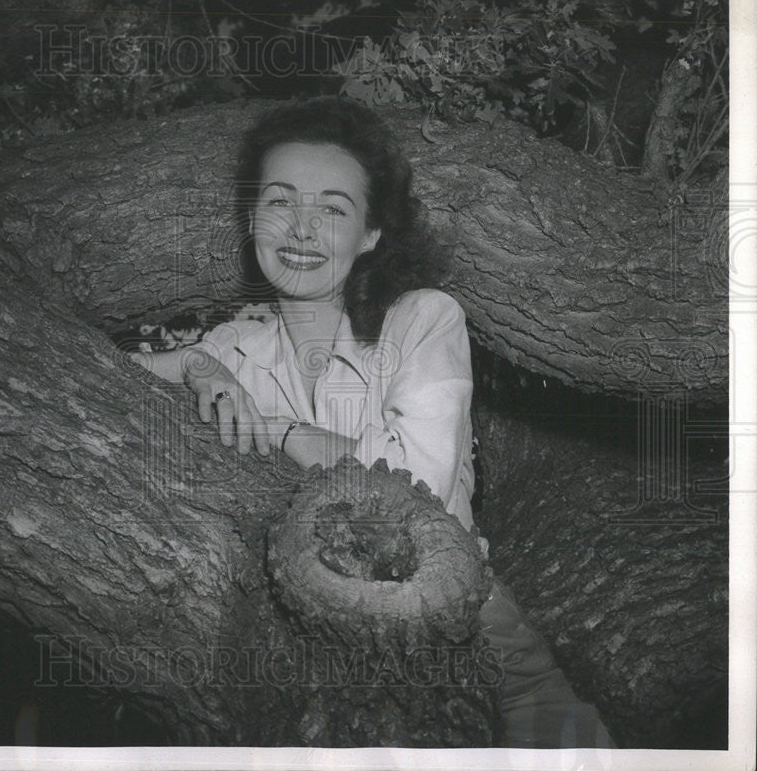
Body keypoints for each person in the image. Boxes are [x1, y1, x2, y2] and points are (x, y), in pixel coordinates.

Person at [133, 96, 616, 750]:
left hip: (472, 637)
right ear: (253, 219)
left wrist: (279, 431)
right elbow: (95, 375)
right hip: (287, 641)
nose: (301, 230)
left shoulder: (423, 319)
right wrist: (196, 363)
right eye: (280, 202)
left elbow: (412, 481)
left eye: (332, 209)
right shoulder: (235, 346)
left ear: (371, 233)